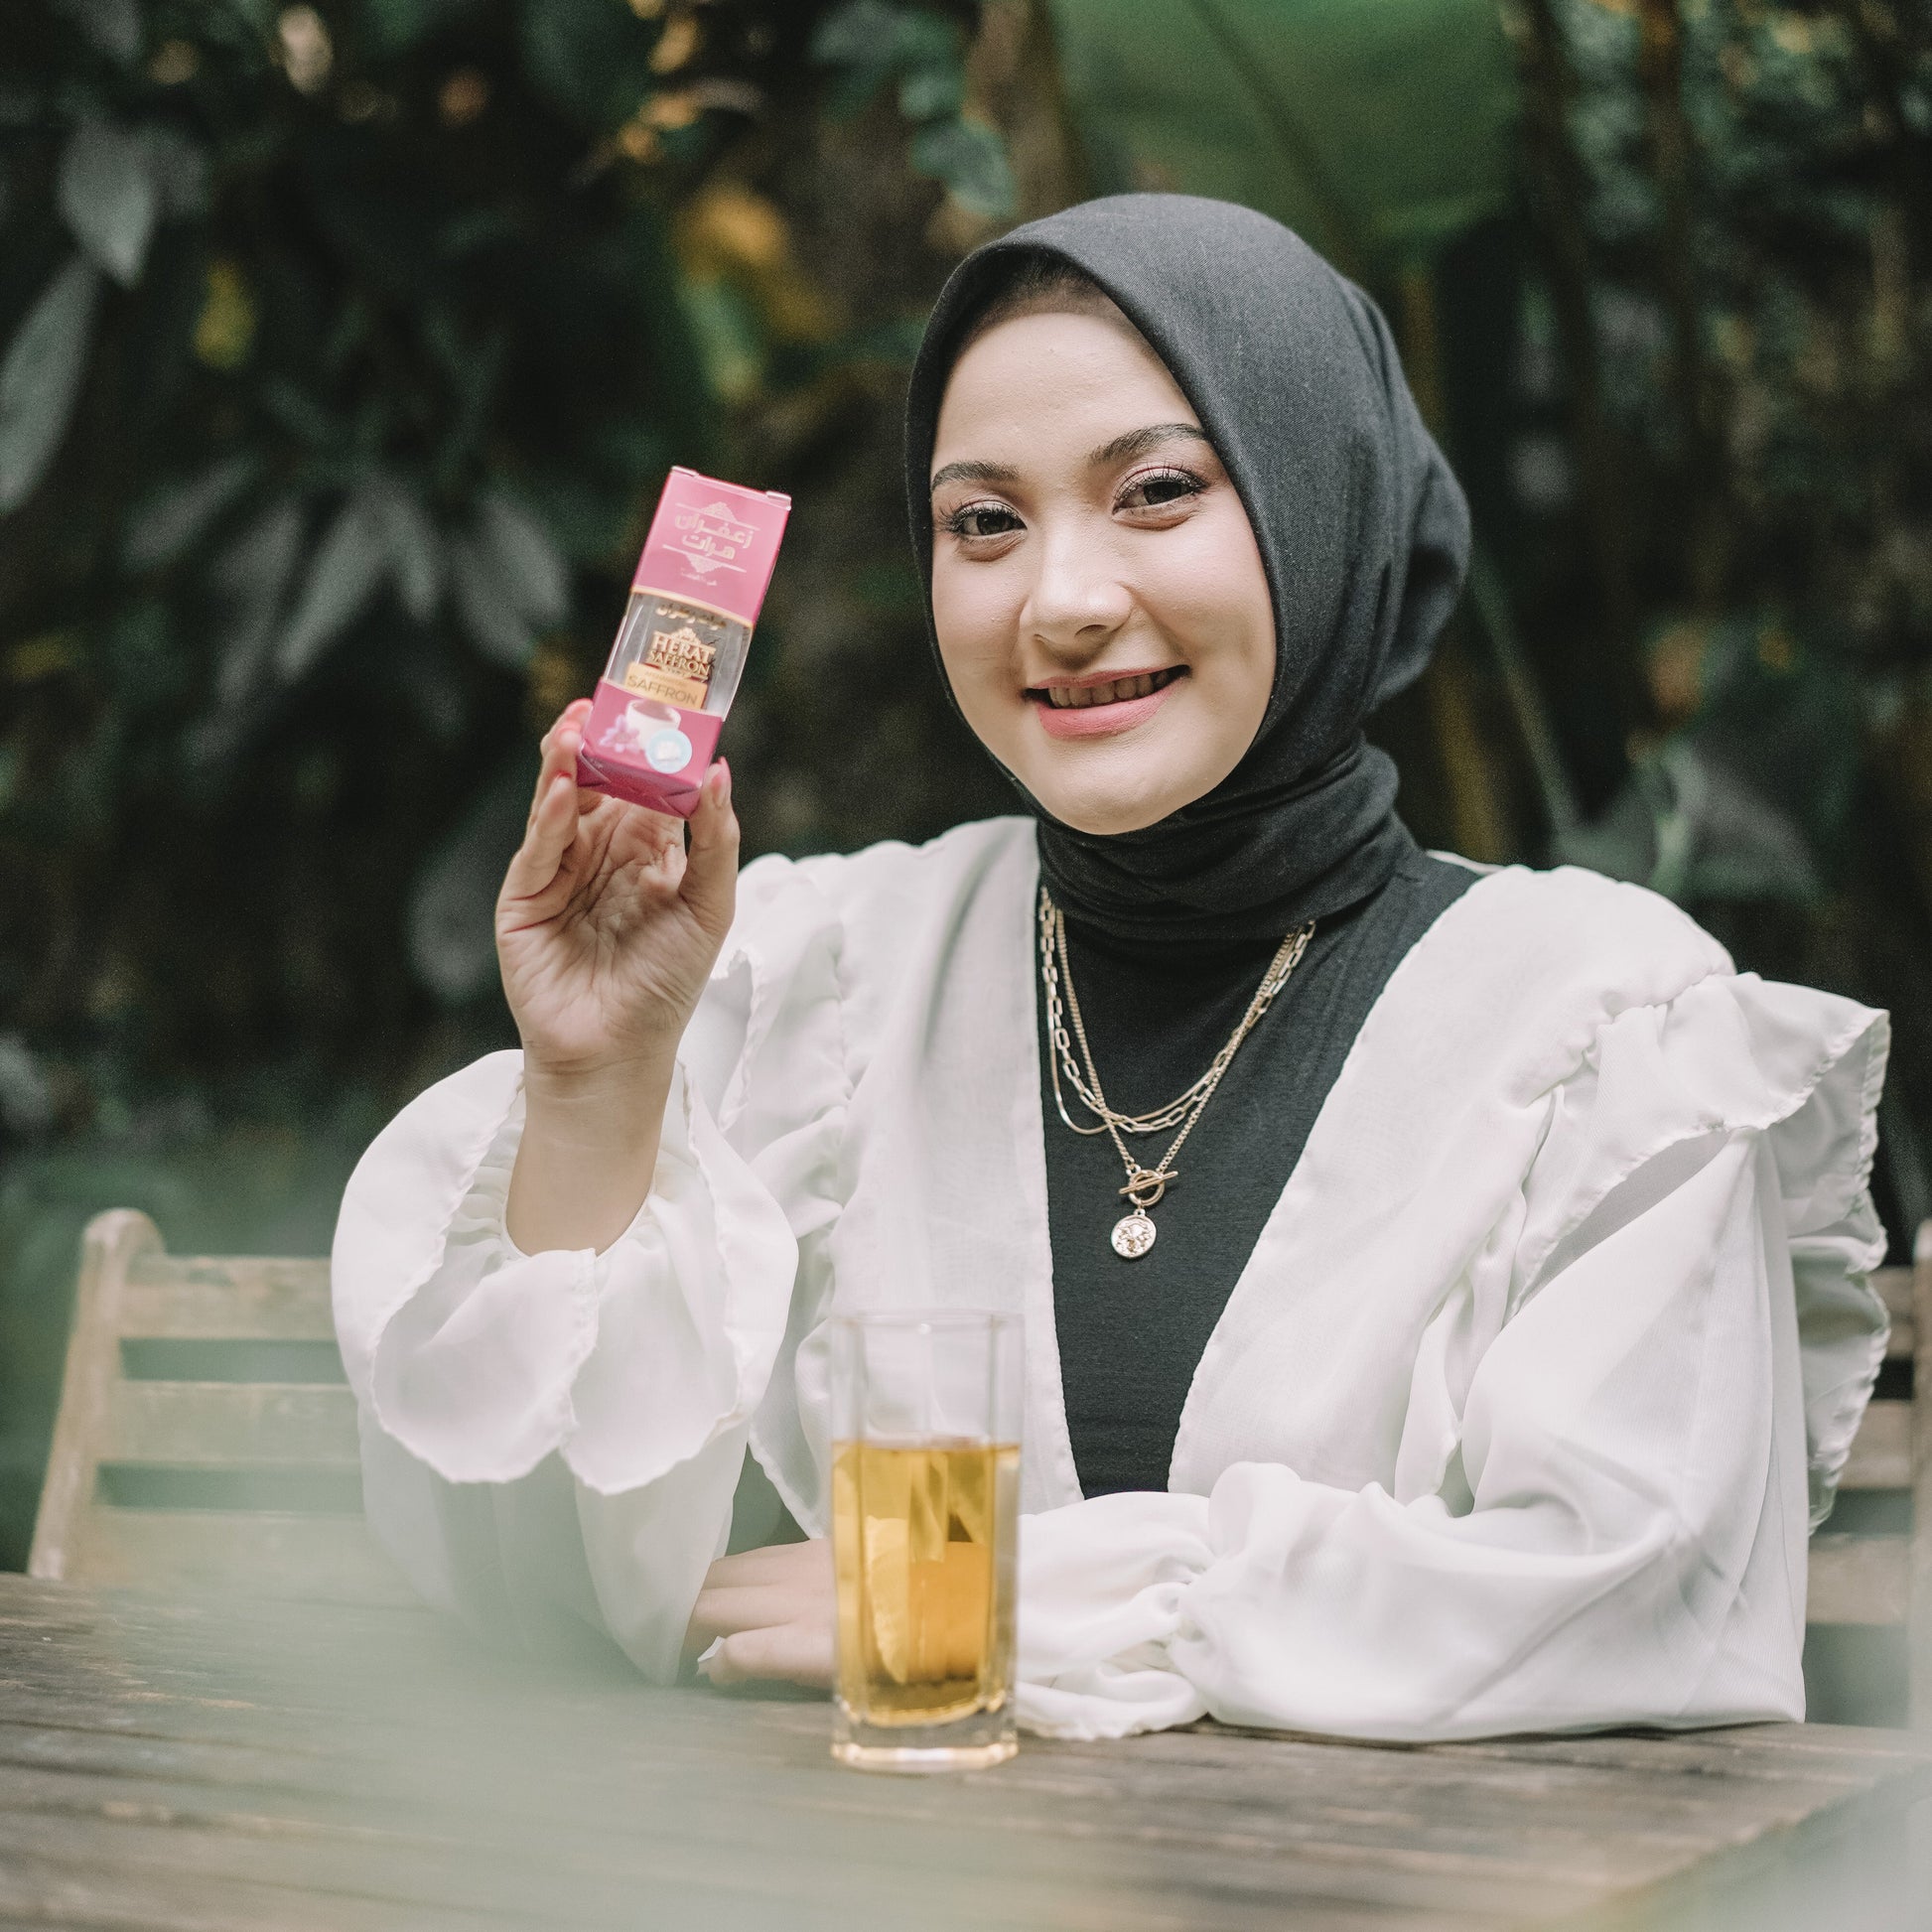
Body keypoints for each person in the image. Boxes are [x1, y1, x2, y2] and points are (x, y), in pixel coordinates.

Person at [334, 195, 1890, 1742]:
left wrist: (1002, 1597)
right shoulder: (827, 977)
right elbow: (537, 1582)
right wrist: (597, 1081)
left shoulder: (1597, 1021)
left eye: (1153, 491)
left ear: (1316, 506)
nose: (1061, 602)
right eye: (982, 521)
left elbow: (1632, 1596)